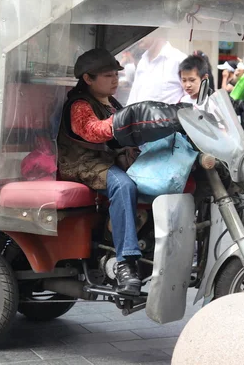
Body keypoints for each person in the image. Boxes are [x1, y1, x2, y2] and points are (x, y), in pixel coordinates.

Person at [58, 48, 141, 296]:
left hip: (107, 160)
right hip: (84, 164)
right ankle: (125, 263)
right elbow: (92, 130)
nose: (115, 79)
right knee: (123, 185)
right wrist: (130, 120)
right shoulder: (79, 104)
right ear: (88, 78)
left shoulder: (111, 102)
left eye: (115, 73)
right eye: (107, 75)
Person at [127, 36, 187, 105]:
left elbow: (191, 99)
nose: (137, 35)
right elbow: (133, 97)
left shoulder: (179, 59)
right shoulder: (143, 61)